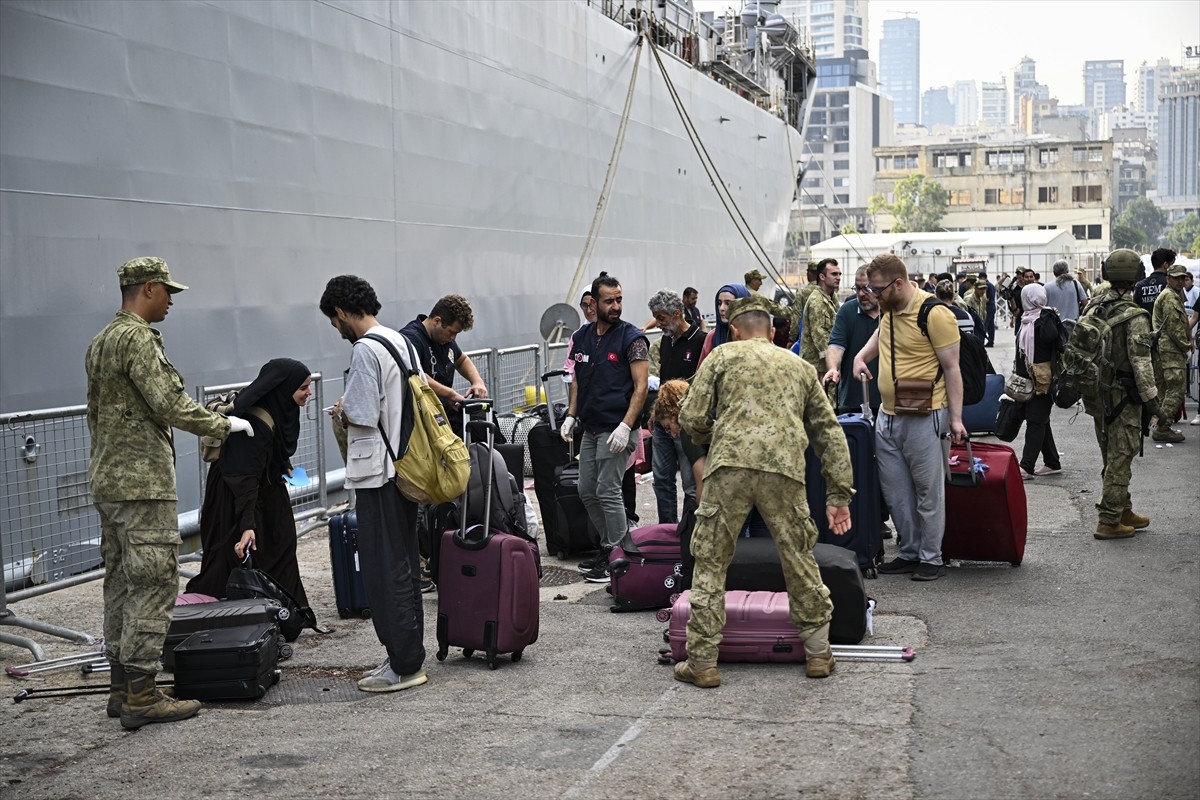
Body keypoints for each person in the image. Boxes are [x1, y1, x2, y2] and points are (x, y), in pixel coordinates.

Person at [86, 257, 254, 729]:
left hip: (110, 480)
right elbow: (168, 402)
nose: (172, 302)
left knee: (119, 583)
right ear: (148, 289)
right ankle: (142, 694)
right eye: (168, 293)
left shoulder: (102, 340)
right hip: (142, 485)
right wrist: (224, 423)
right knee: (154, 582)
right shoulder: (138, 339)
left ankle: (122, 688)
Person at [674, 295, 853, 687]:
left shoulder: (721, 357)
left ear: (734, 331)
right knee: (798, 557)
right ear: (772, 332)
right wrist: (839, 494)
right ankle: (819, 654)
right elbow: (828, 431)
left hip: (729, 468)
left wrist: (710, 434)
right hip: (783, 469)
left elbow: (690, 416)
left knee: (711, 561)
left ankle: (702, 661)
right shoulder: (800, 366)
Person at [320, 275, 427, 692]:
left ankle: (403, 665)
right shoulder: (401, 342)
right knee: (403, 564)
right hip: (404, 469)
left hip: (378, 474)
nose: (336, 329)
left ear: (343, 312)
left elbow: (363, 413)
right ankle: (407, 655)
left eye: (334, 321)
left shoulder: (366, 349)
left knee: (385, 571)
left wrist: (344, 407)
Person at [852, 254, 966, 581]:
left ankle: (931, 556)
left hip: (925, 414)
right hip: (887, 415)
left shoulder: (934, 313)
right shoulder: (888, 310)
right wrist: (861, 356)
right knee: (896, 492)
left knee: (928, 491)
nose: (873, 296)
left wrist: (955, 419)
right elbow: (881, 334)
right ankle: (910, 551)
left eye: (878, 289)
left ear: (898, 284)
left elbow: (952, 368)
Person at [186, 359, 314, 606]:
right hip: (236, 497)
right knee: (238, 554)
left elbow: (273, 448)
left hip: (261, 487)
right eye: (303, 388)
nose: (309, 392)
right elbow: (243, 477)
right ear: (283, 388)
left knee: (280, 542)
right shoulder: (255, 422)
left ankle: (286, 610)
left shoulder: (278, 407)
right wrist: (247, 525)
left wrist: (283, 465)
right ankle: (237, 614)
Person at [560, 273, 649, 582]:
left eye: (619, 300)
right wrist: (571, 415)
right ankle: (608, 546)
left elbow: (640, 388)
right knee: (586, 489)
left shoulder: (632, 338)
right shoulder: (582, 337)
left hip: (617, 427)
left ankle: (618, 553)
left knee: (607, 489)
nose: (615, 306)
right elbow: (577, 379)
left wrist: (626, 426)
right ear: (593, 303)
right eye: (609, 301)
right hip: (591, 426)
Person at [1078, 250, 1159, 540]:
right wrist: (1155, 404)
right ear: (1136, 276)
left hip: (1097, 394)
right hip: (1123, 396)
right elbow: (1141, 363)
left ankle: (1123, 509)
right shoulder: (1135, 315)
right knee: (1121, 456)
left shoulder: (1092, 307)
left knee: (1110, 454)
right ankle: (1109, 520)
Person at [646, 289, 705, 524]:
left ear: (677, 314)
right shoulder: (665, 342)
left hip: (686, 427)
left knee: (691, 484)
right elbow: (664, 384)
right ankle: (667, 531)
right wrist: (655, 414)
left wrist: (681, 419)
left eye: (661, 318)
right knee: (661, 479)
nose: (657, 324)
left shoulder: (700, 341)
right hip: (662, 424)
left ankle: (688, 532)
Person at [399, 294, 489, 434]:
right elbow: (417, 376)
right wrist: (450, 394)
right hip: (420, 421)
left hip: (442, 413)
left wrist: (477, 382)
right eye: (451, 332)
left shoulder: (444, 339)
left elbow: (462, 359)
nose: (453, 338)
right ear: (437, 321)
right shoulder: (411, 339)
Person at [1015, 284, 1065, 479]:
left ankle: (1026, 466)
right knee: (1040, 420)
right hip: (1028, 379)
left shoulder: (1044, 318)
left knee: (1036, 420)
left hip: (1043, 380)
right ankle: (1052, 462)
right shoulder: (1027, 319)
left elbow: (1051, 338)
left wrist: (1048, 315)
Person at [824, 266, 881, 412]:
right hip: (853, 401)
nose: (861, 294)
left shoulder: (891, 313)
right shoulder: (847, 311)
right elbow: (836, 345)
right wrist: (832, 368)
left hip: (887, 402)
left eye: (866, 288)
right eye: (857, 288)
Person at [1150, 263, 1191, 443]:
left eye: (1183, 278)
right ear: (1168, 279)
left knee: (1166, 390)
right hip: (1171, 351)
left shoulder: (1172, 295)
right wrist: (1187, 346)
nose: (1181, 281)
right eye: (1177, 278)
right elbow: (1175, 328)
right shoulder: (1170, 297)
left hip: (1166, 350)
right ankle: (1162, 427)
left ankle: (1160, 423)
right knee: (1176, 389)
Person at [799, 258, 842, 395]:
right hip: (818, 367)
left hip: (825, 367)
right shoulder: (817, 301)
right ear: (822, 277)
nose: (838, 278)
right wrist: (834, 364)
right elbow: (821, 339)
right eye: (834, 274)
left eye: (839, 274)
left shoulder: (830, 297)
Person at [698, 283, 751, 363]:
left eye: (728, 303)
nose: (721, 308)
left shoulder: (756, 336)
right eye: (719, 303)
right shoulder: (712, 336)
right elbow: (701, 372)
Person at [1133, 247, 1174, 314]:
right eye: (1172, 265)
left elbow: (1135, 309)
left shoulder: (1140, 285)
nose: (1173, 268)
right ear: (1166, 265)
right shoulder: (1170, 283)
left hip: (1143, 323)